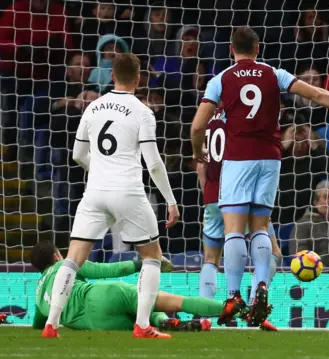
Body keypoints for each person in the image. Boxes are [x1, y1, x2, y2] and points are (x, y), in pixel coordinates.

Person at [190, 27, 329, 327]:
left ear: (231, 49)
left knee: (233, 232)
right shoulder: (274, 73)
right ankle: (261, 290)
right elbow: (317, 94)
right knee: (260, 229)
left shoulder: (220, 80)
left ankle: (232, 295)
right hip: (270, 157)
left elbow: (197, 126)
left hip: (238, 158)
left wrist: (196, 151)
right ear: (257, 48)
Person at [42, 53, 180, 339]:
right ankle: (142, 325)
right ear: (138, 78)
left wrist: (101, 170)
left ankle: (51, 324)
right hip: (128, 191)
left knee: (73, 258)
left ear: (112, 76)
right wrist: (170, 200)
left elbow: (77, 154)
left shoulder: (92, 107)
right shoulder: (143, 112)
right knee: (153, 257)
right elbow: (153, 163)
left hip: (95, 192)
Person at [31, 241, 243, 332]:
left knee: (143, 318)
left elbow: (38, 325)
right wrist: (145, 263)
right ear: (55, 255)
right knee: (168, 302)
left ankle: (166, 323)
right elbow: (109, 271)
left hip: (100, 324)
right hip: (102, 295)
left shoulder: (39, 294)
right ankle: (237, 308)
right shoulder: (64, 265)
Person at [195, 109, 282, 331]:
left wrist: (209, 194)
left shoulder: (210, 119)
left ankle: (204, 317)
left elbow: (200, 164)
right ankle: (255, 307)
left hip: (212, 194)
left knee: (211, 258)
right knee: (272, 250)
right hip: (240, 193)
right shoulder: (243, 117)